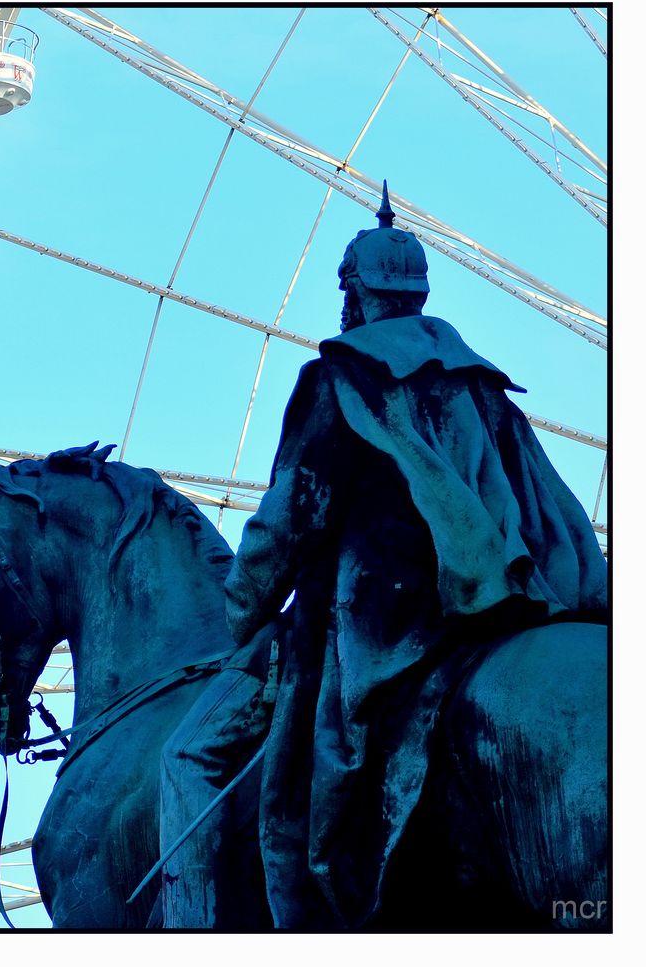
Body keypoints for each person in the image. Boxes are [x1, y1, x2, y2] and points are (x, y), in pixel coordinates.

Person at [222, 182, 608, 928]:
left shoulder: (344, 378)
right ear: (419, 292)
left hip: (388, 618)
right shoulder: (481, 382)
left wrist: (238, 610)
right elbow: (537, 496)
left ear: (354, 292)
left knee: (299, 773)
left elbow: (289, 519)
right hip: (508, 595)